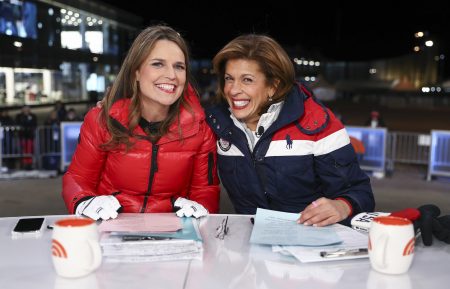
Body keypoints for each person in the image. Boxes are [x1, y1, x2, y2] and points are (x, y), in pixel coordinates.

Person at [205, 34, 374, 227]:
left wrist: (343, 206)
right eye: (229, 78)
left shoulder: (318, 122)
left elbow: (360, 192)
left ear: (273, 86)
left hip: (309, 245)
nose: (233, 90)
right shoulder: (216, 123)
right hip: (251, 246)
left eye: (247, 80)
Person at [62, 25, 220, 221]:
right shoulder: (102, 120)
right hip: (111, 230)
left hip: (174, 235)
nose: (171, 75)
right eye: (158, 64)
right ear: (136, 72)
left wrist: (201, 210)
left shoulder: (200, 130)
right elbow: (78, 178)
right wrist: (85, 202)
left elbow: (205, 190)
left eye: (179, 66)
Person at [15, 105, 37, 169]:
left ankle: (29, 164)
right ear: (22, 109)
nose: (26, 110)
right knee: (23, 150)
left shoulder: (33, 116)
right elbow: (18, 124)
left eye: (27, 109)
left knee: (29, 150)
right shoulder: (19, 116)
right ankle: (23, 163)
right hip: (22, 136)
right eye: (24, 109)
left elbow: (34, 124)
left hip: (30, 136)